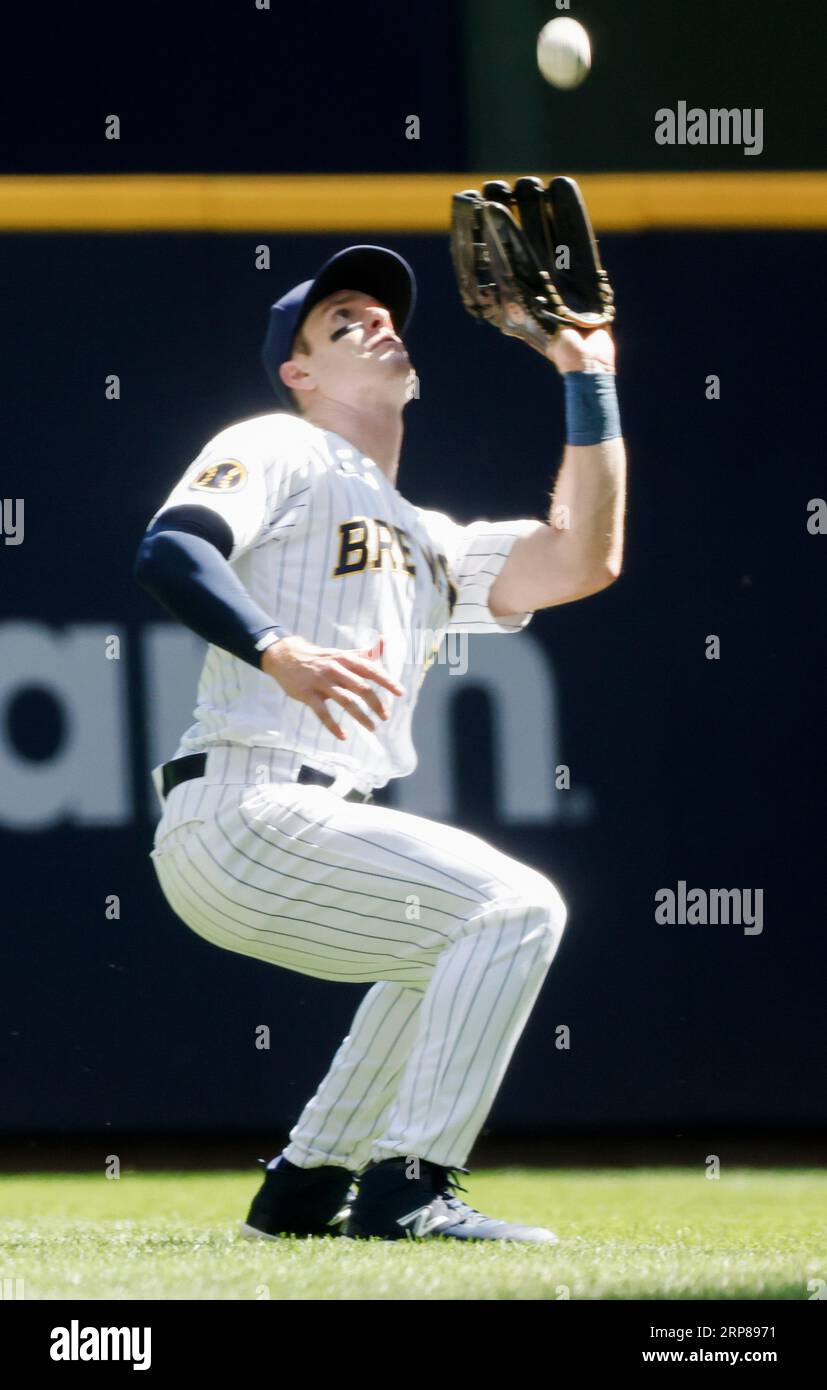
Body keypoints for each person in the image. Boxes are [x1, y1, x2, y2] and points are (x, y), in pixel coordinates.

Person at [133, 242, 626, 1243]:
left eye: (381, 311)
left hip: (297, 820)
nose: (375, 322)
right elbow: (172, 546)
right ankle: (410, 1187)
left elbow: (583, 558)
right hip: (243, 807)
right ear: (298, 373)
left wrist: (588, 377)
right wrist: (276, 647)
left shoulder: (427, 536)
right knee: (513, 906)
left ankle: (307, 1184)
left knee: (442, 947)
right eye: (340, 321)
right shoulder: (280, 444)